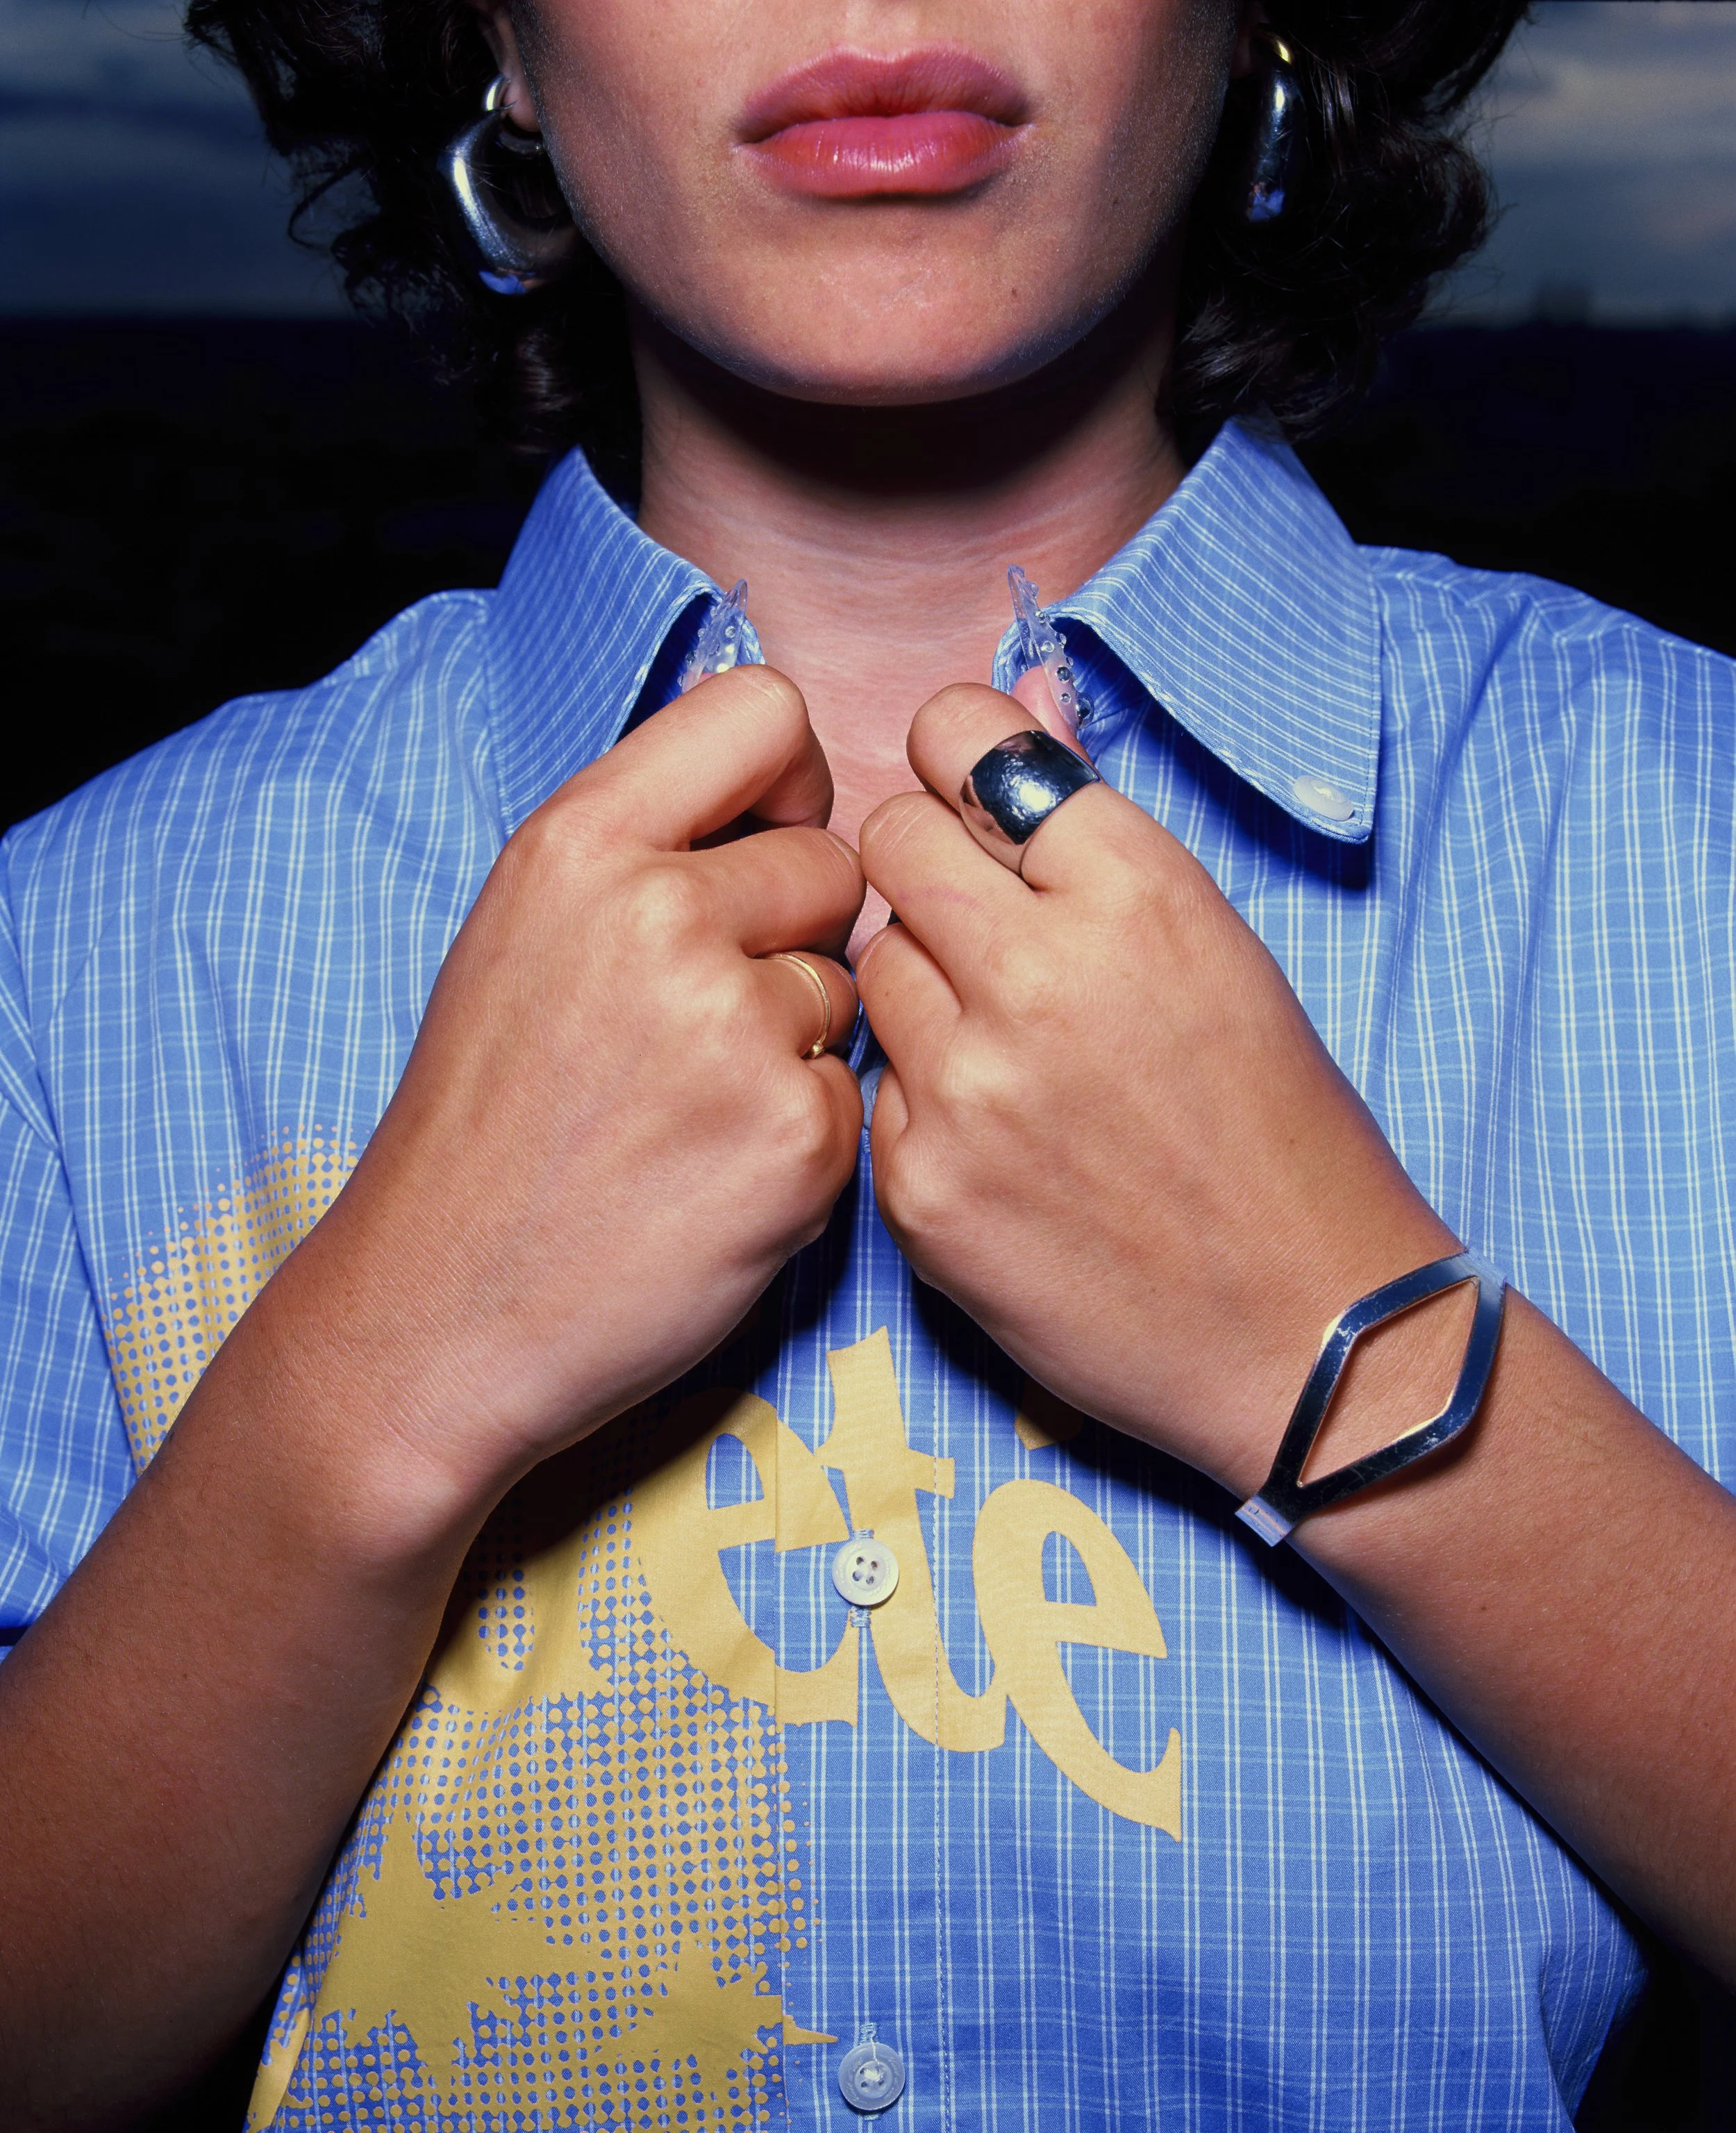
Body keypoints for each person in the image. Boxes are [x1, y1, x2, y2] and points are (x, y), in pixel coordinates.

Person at [2, 0, 1733, 2124]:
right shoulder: (68, 952)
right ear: (495, 45)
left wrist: (1335, 1348)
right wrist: (370, 1381)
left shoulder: (1694, 840)